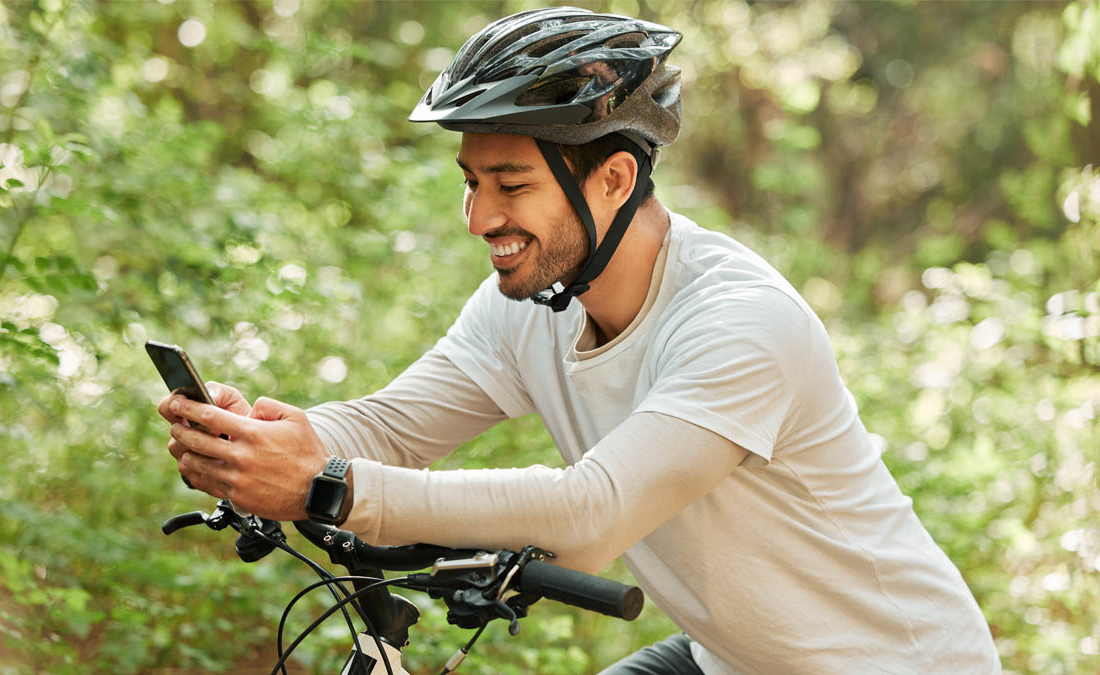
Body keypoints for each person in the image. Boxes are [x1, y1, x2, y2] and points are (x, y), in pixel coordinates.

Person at [158, 7, 1002, 673]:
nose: (479, 217)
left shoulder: (741, 323)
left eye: (510, 184)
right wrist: (265, 444)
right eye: (472, 181)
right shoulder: (528, 303)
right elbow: (390, 427)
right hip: (734, 662)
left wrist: (327, 486)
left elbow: (587, 514)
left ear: (613, 178)